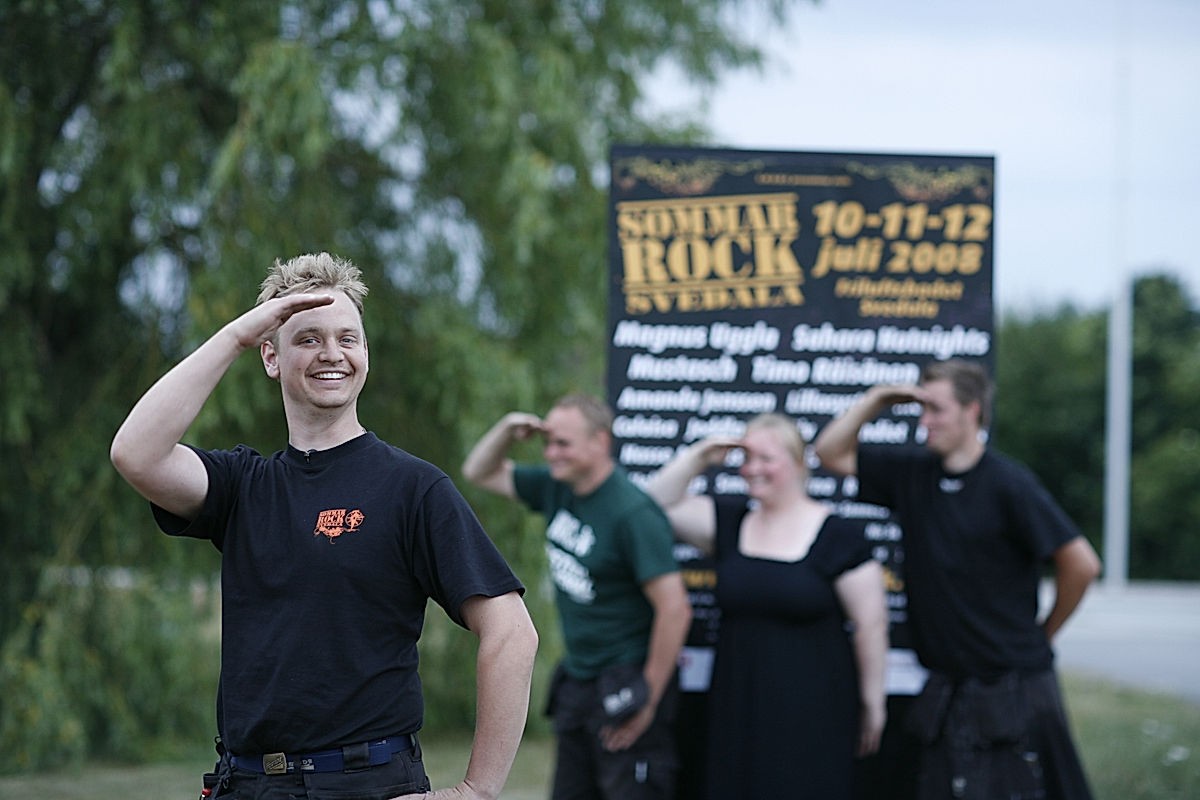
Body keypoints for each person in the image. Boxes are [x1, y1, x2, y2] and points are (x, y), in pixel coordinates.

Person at [110, 252, 538, 800]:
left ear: (366, 353)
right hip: (246, 783)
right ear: (271, 355)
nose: (332, 354)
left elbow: (513, 634)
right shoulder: (244, 485)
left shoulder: (413, 488)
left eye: (348, 338)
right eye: (308, 338)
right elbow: (135, 454)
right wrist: (237, 336)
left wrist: (476, 791)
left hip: (368, 783)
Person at [812, 358, 1101, 800]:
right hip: (947, 688)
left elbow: (1081, 564)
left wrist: (1045, 634)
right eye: (921, 410)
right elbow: (830, 454)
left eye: (937, 410)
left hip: (1013, 687)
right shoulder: (912, 473)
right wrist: (875, 401)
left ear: (972, 411)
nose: (925, 422)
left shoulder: (1009, 484)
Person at [646, 412, 888, 799]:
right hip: (738, 703)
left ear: (797, 463)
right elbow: (652, 505)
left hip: (814, 709)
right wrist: (699, 456)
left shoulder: (840, 535)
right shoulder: (730, 521)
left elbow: (871, 624)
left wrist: (873, 700)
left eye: (766, 459)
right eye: (747, 458)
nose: (751, 469)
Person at [462, 395, 692, 799]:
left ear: (600, 442)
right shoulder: (556, 487)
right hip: (579, 679)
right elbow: (478, 472)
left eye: (563, 443)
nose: (551, 453)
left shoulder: (633, 513)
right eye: (548, 443)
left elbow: (675, 609)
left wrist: (648, 700)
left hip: (627, 678)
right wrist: (507, 429)